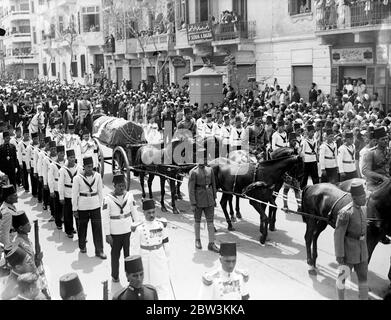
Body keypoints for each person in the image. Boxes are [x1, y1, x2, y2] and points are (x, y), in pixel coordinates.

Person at [334, 180, 368, 300]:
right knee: (342, 278)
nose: (365, 199)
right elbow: (338, 234)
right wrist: (339, 255)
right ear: (354, 197)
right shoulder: (345, 213)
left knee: (364, 279)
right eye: (362, 197)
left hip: (362, 252)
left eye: (365, 196)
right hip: (348, 253)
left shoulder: (364, 209)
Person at [102, 172, 139, 283]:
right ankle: (115, 275)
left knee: (128, 256)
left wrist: (137, 226)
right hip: (115, 232)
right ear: (114, 185)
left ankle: (130, 276)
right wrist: (107, 234)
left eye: (123, 185)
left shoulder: (129, 196)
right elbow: (105, 218)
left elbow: (134, 212)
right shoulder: (107, 199)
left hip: (128, 230)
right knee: (115, 256)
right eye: (119, 186)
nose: (122, 188)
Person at [131, 199, 171, 300]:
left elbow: (165, 242)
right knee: (147, 285)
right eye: (149, 213)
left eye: (153, 212)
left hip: (159, 257)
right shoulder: (139, 228)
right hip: (146, 259)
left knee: (162, 284)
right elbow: (135, 249)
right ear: (144, 213)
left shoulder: (160, 225)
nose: (151, 215)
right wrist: (135, 266)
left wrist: (167, 258)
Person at [72, 156, 106, 259]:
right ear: (84, 167)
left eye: (91, 166)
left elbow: (100, 192)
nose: (90, 169)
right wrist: (75, 209)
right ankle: (82, 246)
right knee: (82, 227)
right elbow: (74, 194)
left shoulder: (98, 176)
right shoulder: (77, 178)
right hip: (83, 206)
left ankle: (99, 250)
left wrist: (100, 205)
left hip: (95, 205)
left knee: (97, 229)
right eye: (88, 167)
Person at [188, 155, 220, 251]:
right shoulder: (193, 172)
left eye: (204, 158)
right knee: (197, 221)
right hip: (198, 200)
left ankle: (211, 243)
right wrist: (193, 203)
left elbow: (213, 185)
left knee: (210, 222)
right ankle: (197, 240)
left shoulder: (210, 170)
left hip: (209, 199)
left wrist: (214, 198)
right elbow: (191, 189)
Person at [58, 149, 80, 238]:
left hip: (77, 194)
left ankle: (80, 231)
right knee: (68, 214)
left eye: (74, 157)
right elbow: (60, 184)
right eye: (71, 157)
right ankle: (69, 230)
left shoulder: (79, 168)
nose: (72, 159)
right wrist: (61, 196)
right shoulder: (63, 170)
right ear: (67, 158)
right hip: (67, 194)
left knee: (78, 213)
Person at [362, 127, 390, 192]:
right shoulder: (370, 153)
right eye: (383, 139)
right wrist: (382, 177)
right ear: (377, 141)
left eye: (386, 139)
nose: (385, 141)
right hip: (374, 183)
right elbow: (365, 171)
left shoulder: (388, 151)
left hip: (387, 181)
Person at [48, 145, 66, 230]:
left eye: (63, 152)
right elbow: (50, 178)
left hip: (65, 188)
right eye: (60, 153)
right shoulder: (53, 164)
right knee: (57, 206)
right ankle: (58, 222)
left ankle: (65, 221)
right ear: (57, 153)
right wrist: (51, 190)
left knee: (65, 207)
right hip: (56, 187)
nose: (62, 154)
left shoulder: (67, 163)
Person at [0, 185, 18, 262]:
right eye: (15, 195)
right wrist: (8, 249)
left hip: (13, 236)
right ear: (8, 198)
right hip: (10, 239)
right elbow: (4, 232)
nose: (17, 197)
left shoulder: (9, 206)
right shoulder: (7, 212)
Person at [300, 124, 319, 189]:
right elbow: (302, 152)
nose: (312, 133)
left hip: (313, 159)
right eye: (311, 132)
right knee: (305, 176)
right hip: (306, 160)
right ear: (307, 132)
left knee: (315, 176)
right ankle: (302, 189)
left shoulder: (315, 140)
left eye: (313, 132)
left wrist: (316, 158)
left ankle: (316, 188)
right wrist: (303, 160)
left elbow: (316, 150)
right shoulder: (304, 141)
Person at [17, 128, 31, 192]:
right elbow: (19, 154)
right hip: (24, 160)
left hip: (31, 161)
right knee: (25, 175)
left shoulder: (31, 142)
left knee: (32, 175)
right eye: (26, 134)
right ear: (23, 135)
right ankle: (26, 188)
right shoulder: (20, 143)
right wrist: (20, 163)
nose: (27, 135)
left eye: (28, 134)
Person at [26, 132, 40, 198]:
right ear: (32, 139)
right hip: (32, 165)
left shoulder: (40, 146)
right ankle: (34, 192)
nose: (36, 140)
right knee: (33, 179)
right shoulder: (29, 147)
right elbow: (27, 158)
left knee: (39, 180)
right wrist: (28, 167)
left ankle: (39, 192)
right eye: (34, 138)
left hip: (39, 165)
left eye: (37, 138)